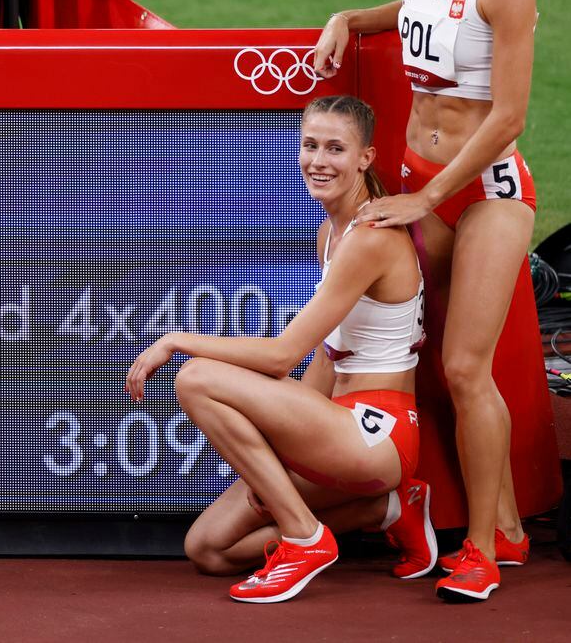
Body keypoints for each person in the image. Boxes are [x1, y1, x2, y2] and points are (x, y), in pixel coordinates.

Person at [312, 0, 535, 602]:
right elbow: (415, 10)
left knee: (465, 368)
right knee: (433, 355)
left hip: (485, 194)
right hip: (420, 180)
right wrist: (351, 17)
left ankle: (479, 549)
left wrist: (427, 198)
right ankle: (495, 520)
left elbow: (506, 118)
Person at [126, 96, 428, 603]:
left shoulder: (369, 239)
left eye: (336, 148)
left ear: (365, 159)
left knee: (195, 377)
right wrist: (280, 450)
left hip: (377, 433)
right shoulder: (330, 233)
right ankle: (384, 511)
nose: (318, 160)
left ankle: (306, 540)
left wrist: (175, 339)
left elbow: (282, 355)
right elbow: (328, 355)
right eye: (310, 145)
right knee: (207, 549)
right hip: (334, 429)